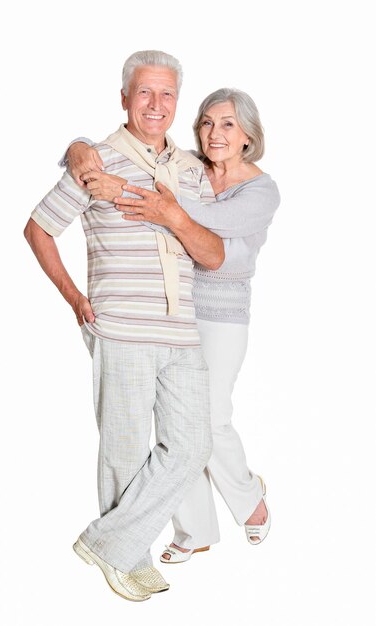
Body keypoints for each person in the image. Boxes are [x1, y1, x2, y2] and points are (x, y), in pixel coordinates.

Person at [24, 50, 225, 602]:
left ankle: (106, 542)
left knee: (191, 445)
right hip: (122, 328)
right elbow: (39, 229)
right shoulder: (97, 162)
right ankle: (128, 559)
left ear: (177, 102)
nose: (155, 105)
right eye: (144, 93)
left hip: (181, 330)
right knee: (125, 449)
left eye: (166, 95)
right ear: (124, 99)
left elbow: (213, 255)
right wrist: (72, 296)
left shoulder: (192, 171)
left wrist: (175, 216)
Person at [64, 87, 280, 564]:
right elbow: (138, 153)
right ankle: (194, 529)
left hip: (222, 316)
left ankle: (250, 499)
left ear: (248, 135)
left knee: (210, 419)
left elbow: (216, 240)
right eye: (206, 122)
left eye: (227, 124)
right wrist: (78, 147)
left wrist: (163, 208)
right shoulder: (190, 172)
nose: (214, 132)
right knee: (176, 429)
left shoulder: (260, 189)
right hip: (171, 311)